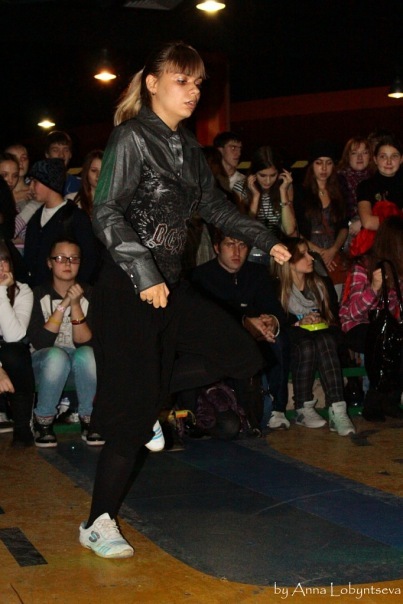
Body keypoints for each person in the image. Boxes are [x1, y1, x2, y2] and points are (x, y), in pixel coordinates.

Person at [81, 41, 290, 559]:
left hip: (170, 286)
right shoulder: (131, 137)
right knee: (132, 421)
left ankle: (149, 397)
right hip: (129, 288)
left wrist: (266, 240)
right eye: (182, 80)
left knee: (242, 354)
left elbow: (216, 208)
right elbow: (106, 211)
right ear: (152, 84)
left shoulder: (188, 148)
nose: (193, 90)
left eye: (197, 82)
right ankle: (97, 523)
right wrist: (143, 270)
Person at [191, 232, 291, 431]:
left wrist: (272, 321)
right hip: (221, 338)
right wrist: (244, 322)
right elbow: (208, 317)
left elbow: (274, 308)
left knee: (278, 339)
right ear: (217, 247)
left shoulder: (257, 273)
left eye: (242, 246)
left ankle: (278, 408)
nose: (237, 252)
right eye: (230, 245)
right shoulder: (201, 276)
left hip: (259, 334)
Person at [273, 236, 355, 436]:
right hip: (295, 344)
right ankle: (303, 407)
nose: (311, 258)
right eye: (303, 254)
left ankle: (337, 409)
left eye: (309, 253)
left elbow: (334, 319)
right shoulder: (277, 288)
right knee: (307, 344)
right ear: (289, 261)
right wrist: (299, 323)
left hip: (323, 339)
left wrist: (320, 321)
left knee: (324, 339)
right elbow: (278, 325)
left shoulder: (320, 283)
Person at [27, 237, 103, 448]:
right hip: (44, 363)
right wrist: (64, 304)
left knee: (87, 354)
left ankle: (89, 419)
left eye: (73, 259)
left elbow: (85, 343)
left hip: (80, 363)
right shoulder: (36, 294)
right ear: (49, 263)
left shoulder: (91, 294)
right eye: (60, 258)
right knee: (56, 356)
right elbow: (41, 342)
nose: (68, 263)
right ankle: (43, 420)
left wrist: (76, 304)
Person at [339, 216, 403, 421]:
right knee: (381, 339)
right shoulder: (363, 266)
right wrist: (374, 288)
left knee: (393, 338)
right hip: (356, 326)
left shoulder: (398, 269)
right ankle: (373, 401)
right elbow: (352, 313)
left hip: (385, 326)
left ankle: (391, 400)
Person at [24, 158, 99, 286]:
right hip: (39, 293)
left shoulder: (76, 218)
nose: (30, 187)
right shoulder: (35, 218)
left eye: (35, 182)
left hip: (67, 292)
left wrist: (77, 288)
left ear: (49, 183)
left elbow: (90, 259)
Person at [295, 141, 348, 299]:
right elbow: (295, 229)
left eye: (328, 163)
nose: (324, 168)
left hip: (333, 254)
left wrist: (333, 250)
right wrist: (319, 252)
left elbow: (343, 226)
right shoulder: (301, 192)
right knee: (314, 298)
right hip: (309, 252)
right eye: (319, 163)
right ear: (312, 166)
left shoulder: (338, 192)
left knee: (335, 298)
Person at [233, 145, 296, 264]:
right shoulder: (241, 188)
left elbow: (289, 229)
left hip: (277, 251)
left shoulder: (285, 187)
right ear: (254, 173)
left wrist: (283, 191)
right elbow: (245, 230)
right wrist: (256, 197)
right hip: (249, 252)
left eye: (273, 175)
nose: (268, 181)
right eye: (262, 175)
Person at [0, 240, 35, 447]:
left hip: (9, 351)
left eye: (3, 260)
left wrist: (1, 292)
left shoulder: (22, 290)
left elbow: (14, 336)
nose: (0, 267)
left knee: (14, 352)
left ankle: (22, 426)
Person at [357, 135, 403, 233]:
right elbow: (368, 222)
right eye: (383, 156)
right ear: (375, 159)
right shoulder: (365, 186)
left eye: (394, 156)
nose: (389, 162)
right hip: (375, 241)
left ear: (401, 159)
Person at [337, 136, 372, 251]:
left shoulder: (376, 177)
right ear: (347, 156)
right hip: (346, 231)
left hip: (370, 227)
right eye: (354, 153)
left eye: (364, 153)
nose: (360, 157)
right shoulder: (338, 179)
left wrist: (362, 221)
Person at [44, 130, 81, 197]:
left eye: (66, 150)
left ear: (70, 154)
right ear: (47, 154)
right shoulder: (37, 186)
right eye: (55, 150)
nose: (61, 155)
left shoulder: (81, 185)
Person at [72, 149, 103, 218]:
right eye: (94, 170)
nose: (98, 175)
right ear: (86, 172)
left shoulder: (119, 199)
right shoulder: (73, 200)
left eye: (103, 170)